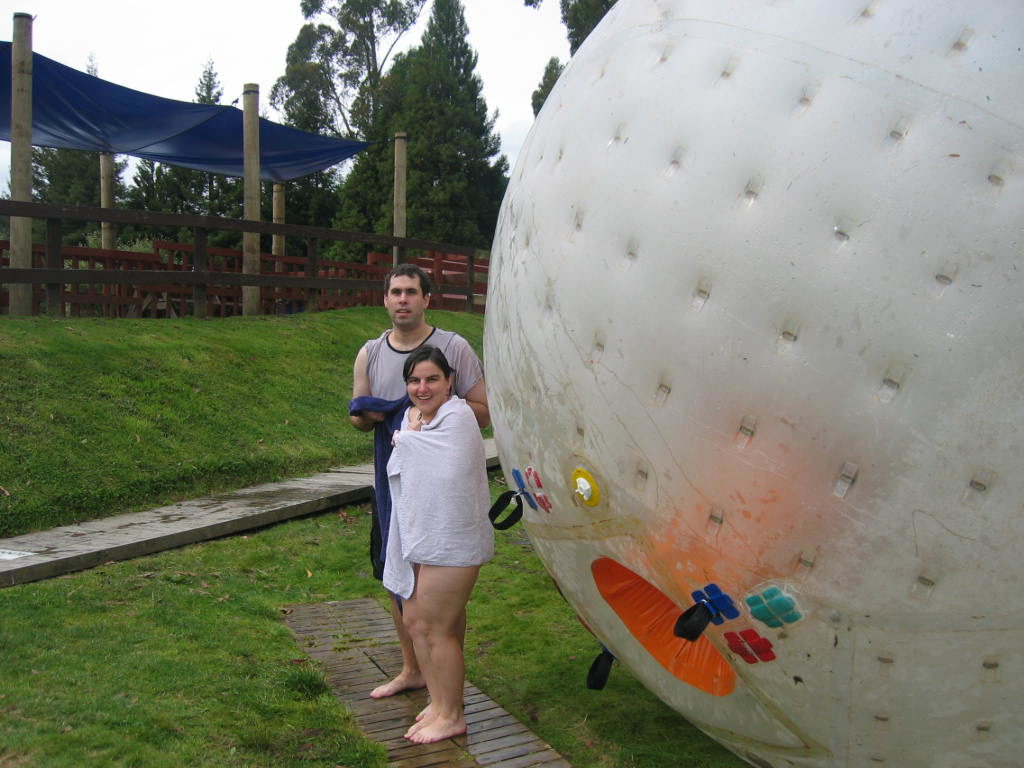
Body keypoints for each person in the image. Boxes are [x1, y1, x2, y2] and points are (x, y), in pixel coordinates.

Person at [348, 263, 489, 703]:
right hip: (392, 478)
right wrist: (375, 414)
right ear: (385, 299)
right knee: (397, 573)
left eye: (411, 291)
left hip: (442, 485)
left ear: (427, 298)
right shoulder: (369, 352)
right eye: (396, 292)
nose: (403, 299)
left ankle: (446, 676)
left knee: (438, 577)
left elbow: (484, 409)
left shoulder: (453, 347)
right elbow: (355, 416)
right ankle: (413, 669)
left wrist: (429, 414)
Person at [384, 344, 493, 743]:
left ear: (450, 382)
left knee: (437, 627)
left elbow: (444, 470)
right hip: (422, 535)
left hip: (454, 538)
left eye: (432, 379)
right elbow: (407, 461)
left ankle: (452, 714)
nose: (422, 387)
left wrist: (406, 440)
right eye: (414, 380)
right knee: (414, 622)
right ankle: (438, 701)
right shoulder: (415, 418)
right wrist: (407, 437)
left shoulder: (458, 416)